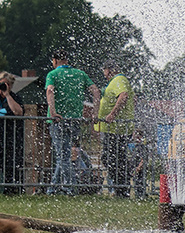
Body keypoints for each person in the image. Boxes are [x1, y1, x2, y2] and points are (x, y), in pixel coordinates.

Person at [44, 50, 100, 195]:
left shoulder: (53, 74)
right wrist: (95, 113)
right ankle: (53, 188)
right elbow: (95, 91)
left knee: (62, 156)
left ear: (55, 61)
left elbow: (50, 91)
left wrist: (53, 111)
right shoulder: (80, 74)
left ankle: (69, 188)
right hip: (75, 120)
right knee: (65, 155)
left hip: (58, 120)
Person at [95, 60, 134, 197]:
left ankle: (122, 189)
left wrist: (112, 114)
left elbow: (123, 96)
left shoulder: (119, 79)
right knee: (113, 158)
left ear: (110, 70)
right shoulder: (116, 81)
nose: (104, 75)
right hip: (114, 128)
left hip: (117, 128)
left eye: (104, 71)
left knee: (114, 159)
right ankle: (120, 188)